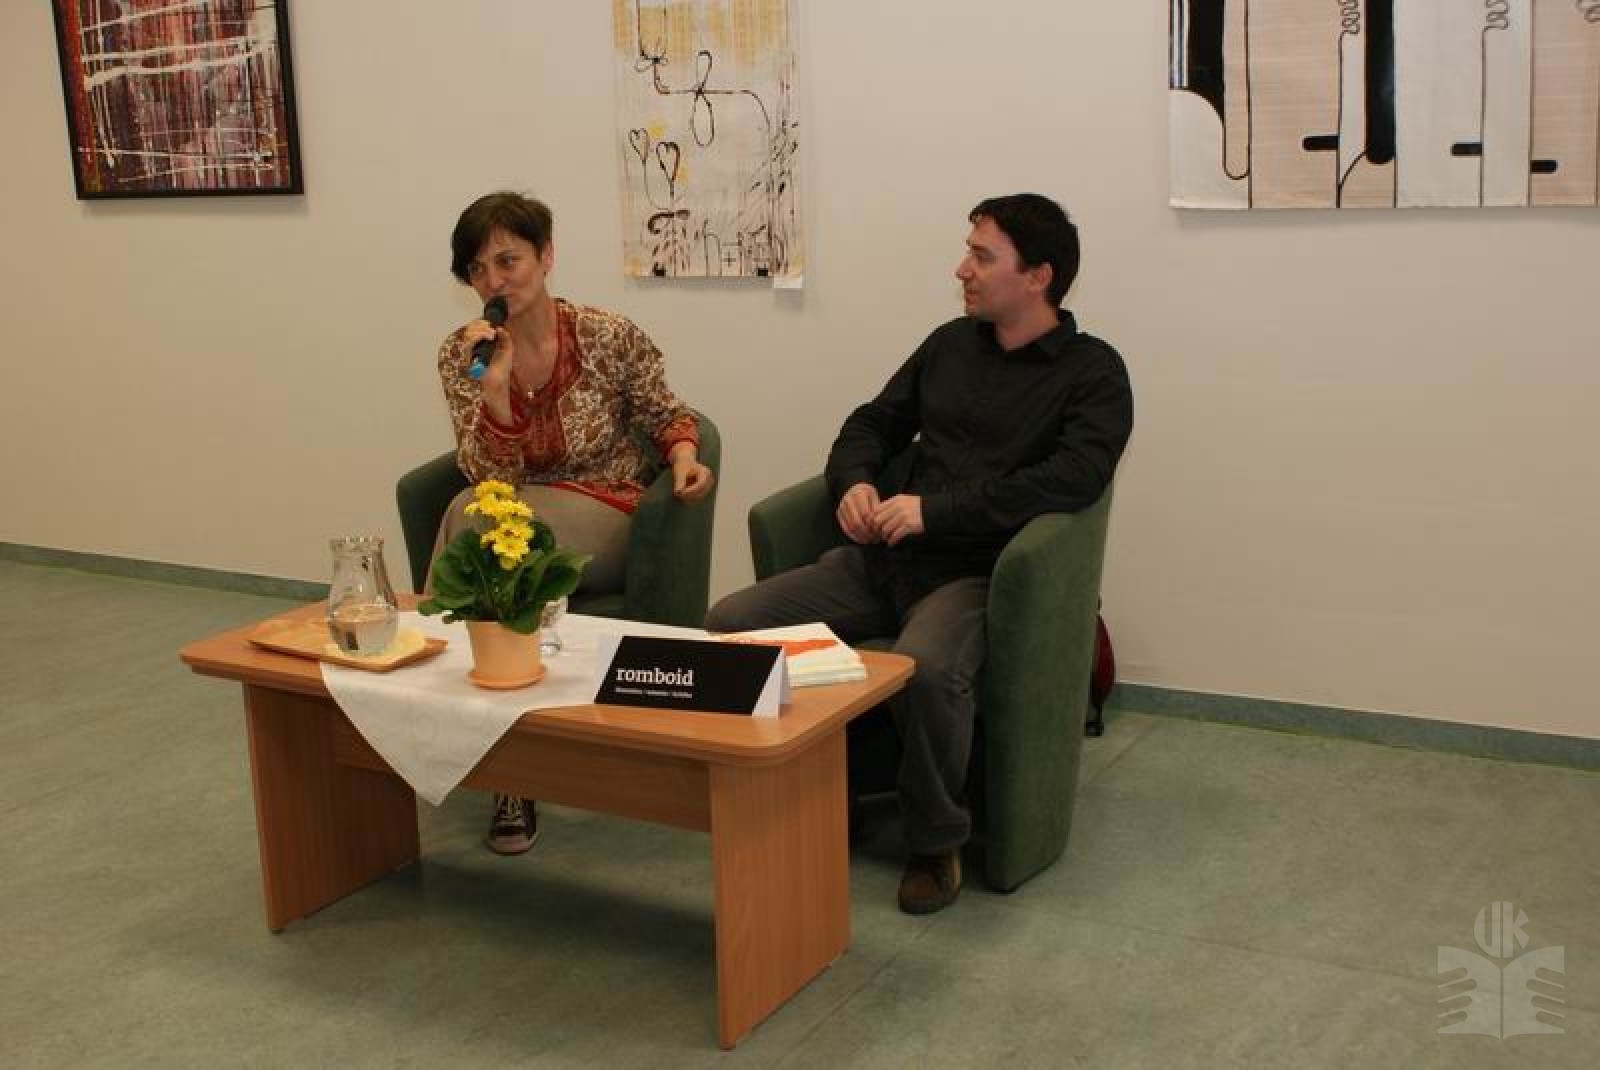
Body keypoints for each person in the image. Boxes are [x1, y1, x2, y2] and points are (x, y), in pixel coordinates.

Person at [705, 194, 1132, 915]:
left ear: (1038, 277)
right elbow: (872, 423)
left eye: (982, 256)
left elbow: (1072, 479)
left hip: (979, 573)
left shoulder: (1094, 373)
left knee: (927, 669)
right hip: (884, 560)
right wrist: (855, 483)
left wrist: (936, 512)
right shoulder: (950, 344)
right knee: (734, 622)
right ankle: (814, 794)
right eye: (968, 251)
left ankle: (936, 842)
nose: (962, 269)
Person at [436, 191, 714, 855]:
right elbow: (484, 473)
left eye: (509, 261)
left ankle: (464, 731)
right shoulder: (465, 355)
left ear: (547, 256)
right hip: (512, 514)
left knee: (474, 524)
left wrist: (684, 458)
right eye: (478, 270)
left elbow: (667, 413)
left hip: (609, 510)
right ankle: (507, 759)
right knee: (482, 519)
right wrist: (495, 391)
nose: (495, 281)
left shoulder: (606, 334)